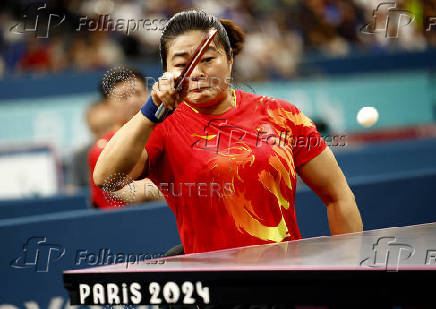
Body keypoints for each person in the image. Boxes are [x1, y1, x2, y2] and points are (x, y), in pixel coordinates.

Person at [93, 10, 363, 252]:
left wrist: (351, 271)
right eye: (181, 64)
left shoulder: (282, 114)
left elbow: (338, 196)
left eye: (208, 59)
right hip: (217, 287)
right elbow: (106, 178)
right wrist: (150, 112)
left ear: (230, 60)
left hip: (286, 280)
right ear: (166, 71)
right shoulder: (162, 126)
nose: (197, 72)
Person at [88, 67, 163, 209]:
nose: (133, 101)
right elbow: (133, 192)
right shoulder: (102, 149)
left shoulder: (162, 135)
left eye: (138, 93)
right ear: (107, 106)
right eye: (124, 96)